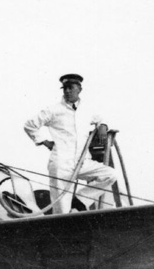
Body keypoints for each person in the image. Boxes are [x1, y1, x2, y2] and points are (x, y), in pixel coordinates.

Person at [23, 73, 119, 214]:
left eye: (70, 88)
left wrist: (102, 125)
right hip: (61, 163)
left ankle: (80, 200)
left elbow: (100, 118)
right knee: (62, 209)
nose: (67, 91)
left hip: (82, 162)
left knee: (110, 175)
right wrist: (44, 142)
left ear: (79, 89)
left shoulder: (87, 109)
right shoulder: (53, 110)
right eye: (65, 88)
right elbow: (30, 125)